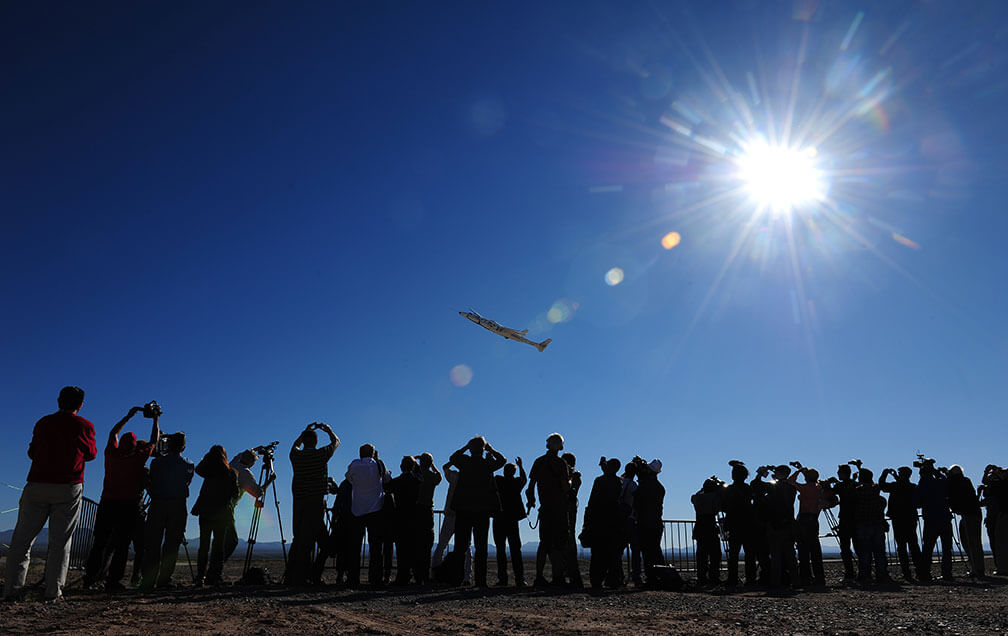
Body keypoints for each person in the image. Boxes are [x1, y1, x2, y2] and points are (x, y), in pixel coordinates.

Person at [4, 386, 97, 601]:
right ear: (80, 405)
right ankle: (53, 592)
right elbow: (91, 454)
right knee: (60, 541)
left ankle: (12, 590)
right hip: (68, 486)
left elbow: (32, 451)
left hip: (37, 483)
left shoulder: (44, 423)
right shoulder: (84, 425)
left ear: (58, 401)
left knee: (22, 539)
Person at [83, 404, 159, 592]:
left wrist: (128, 416)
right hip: (128, 505)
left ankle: (90, 579)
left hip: (107, 502)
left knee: (100, 543)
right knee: (123, 545)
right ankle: (113, 581)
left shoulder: (111, 454)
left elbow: (112, 433)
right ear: (134, 446)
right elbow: (154, 441)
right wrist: (156, 419)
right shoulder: (138, 458)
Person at [285, 422, 340, 586]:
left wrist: (305, 432)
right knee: (311, 542)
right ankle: (306, 576)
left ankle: (299, 575)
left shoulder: (296, 456)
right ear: (316, 442)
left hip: (299, 503)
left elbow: (295, 445)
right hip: (315, 503)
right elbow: (336, 442)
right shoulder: (321, 454)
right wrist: (329, 430)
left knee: (300, 539)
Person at [526, 433, 582, 588]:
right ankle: (558, 577)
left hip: (544, 508)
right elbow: (565, 487)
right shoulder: (560, 463)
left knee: (544, 543)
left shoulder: (538, 462)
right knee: (559, 543)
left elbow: (530, 487)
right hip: (559, 509)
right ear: (561, 447)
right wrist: (571, 479)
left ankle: (539, 576)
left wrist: (531, 501)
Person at [140, 430, 194, 589]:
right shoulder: (189, 464)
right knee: (172, 544)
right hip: (177, 504)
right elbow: (187, 481)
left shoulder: (156, 463)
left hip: (157, 503)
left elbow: (152, 479)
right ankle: (164, 579)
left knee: (153, 542)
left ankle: (148, 579)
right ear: (183, 447)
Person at [449, 436, 506, 588]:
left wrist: (464, 448)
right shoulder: (487, 463)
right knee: (481, 547)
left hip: (464, 509)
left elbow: (453, 458)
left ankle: (456, 579)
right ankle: (481, 581)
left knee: (460, 546)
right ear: (483, 449)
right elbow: (502, 460)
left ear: (471, 448)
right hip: (483, 510)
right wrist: (491, 450)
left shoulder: (465, 462)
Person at [191, 445, 240, 586]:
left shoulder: (208, 472)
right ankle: (214, 576)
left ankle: (200, 576)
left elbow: (198, 469)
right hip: (222, 514)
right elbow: (235, 493)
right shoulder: (231, 473)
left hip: (206, 512)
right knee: (218, 546)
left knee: (204, 546)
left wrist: (208, 456)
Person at [346, 443, 392, 587]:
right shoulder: (378, 465)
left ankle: (353, 578)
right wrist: (378, 460)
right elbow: (387, 480)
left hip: (357, 509)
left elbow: (348, 477)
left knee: (354, 547)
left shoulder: (354, 465)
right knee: (376, 548)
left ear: (360, 453)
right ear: (373, 453)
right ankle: (375, 578)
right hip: (376, 510)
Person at [752, 465, 798, 588]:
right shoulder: (791, 488)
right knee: (790, 556)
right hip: (788, 524)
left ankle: (776, 582)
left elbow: (756, 485)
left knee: (776, 555)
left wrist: (760, 474)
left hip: (774, 525)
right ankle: (795, 580)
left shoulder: (773, 487)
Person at [582, 457, 625, 590]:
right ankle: (613, 580)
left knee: (598, 554)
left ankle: (596, 580)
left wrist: (587, 521)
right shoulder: (619, 482)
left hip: (598, 521)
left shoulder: (600, 481)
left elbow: (592, 501)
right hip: (613, 521)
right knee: (612, 553)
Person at [431, 461, 472, 585]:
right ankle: (466, 577)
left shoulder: (455, 476)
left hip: (451, 514)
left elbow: (445, 467)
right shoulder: (472, 478)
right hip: (465, 515)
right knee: (466, 548)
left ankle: (435, 574)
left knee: (442, 544)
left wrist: (455, 460)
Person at [879, 466, 923, 582]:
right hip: (911, 518)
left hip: (898, 519)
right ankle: (920, 572)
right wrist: (896, 477)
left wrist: (885, 474)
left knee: (902, 547)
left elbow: (882, 486)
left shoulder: (895, 486)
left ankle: (906, 573)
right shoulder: (912, 487)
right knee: (914, 545)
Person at [787, 462, 826, 586]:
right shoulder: (818, 488)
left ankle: (805, 577)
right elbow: (813, 480)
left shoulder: (804, 488)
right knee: (815, 548)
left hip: (804, 518)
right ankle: (819, 577)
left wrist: (798, 471)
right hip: (814, 519)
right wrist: (803, 470)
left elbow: (790, 481)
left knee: (803, 549)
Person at [917, 459, 954, 582]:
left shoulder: (922, 485)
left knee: (928, 548)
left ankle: (925, 574)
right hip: (944, 517)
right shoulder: (940, 483)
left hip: (930, 519)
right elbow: (947, 484)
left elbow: (917, 502)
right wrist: (938, 473)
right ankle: (947, 573)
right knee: (947, 548)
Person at [492, 457, 527, 587]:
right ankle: (519, 579)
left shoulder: (498, 481)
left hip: (499, 519)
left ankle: (503, 579)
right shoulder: (516, 483)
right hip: (512, 520)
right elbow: (524, 479)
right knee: (515, 550)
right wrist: (521, 467)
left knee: (500, 550)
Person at [721, 461, 756, 587]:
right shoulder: (748, 488)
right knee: (750, 554)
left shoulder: (729, 490)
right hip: (748, 524)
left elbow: (724, 506)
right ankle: (751, 579)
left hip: (734, 524)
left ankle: (732, 579)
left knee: (733, 554)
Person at [852, 467, 889, 584]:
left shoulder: (858, 491)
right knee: (879, 552)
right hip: (877, 523)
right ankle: (881, 574)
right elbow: (880, 484)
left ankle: (864, 574)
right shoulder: (876, 489)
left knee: (864, 552)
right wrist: (884, 474)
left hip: (863, 523)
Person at [633, 458, 667, 587]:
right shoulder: (659, 488)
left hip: (646, 522)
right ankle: (661, 576)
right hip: (656, 523)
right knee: (656, 551)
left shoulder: (645, 486)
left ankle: (652, 577)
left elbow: (637, 499)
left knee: (648, 551)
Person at [388, 456, 421, 585]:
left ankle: (402, 576)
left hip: (399, 517)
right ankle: (417, 576)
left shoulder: (396, 481)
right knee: (413, 548)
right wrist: (416, 464)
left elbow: (387, 487)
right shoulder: (417, 480)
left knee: (401, 549)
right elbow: (419, 474)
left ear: (401, 467)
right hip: (414, 517)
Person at [947, 465, 985, 578]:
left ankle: (977, 568)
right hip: (973, 513)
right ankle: (978, 567)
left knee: (971, 542)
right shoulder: (966, 481)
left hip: (968, 514)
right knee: (974, 542)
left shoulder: (956, 482)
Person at [413, 453, 442, 585]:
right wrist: (432, 465)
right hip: (427, 510)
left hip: (417, 510)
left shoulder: (416, 475)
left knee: (416, 543)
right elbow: (439, 476)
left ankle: (417, 575)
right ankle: (425, 575)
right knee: (426, 544)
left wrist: (416, 462)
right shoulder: (431, 477)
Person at [828, 464, 859, 582]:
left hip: (846, 519)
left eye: (839, 472)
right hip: (856, 519)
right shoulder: (855, 485)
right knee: (858, 547)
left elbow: (830, 493)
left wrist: (828, 484)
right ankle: (863, 572)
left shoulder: (840, 486)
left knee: (845, 548)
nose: (837, 474)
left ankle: (849, 573)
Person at [691, 477, 722, 586]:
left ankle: (702, 576)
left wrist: (702, 489)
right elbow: (718, 507)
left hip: (700, 527)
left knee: (701, 554)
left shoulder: (697, 498)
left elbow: (694, 496)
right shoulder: (715, 497)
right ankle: (714, 576)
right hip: (710, 526)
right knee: (715, 554)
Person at [619, 462, 643, 586]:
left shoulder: (620, 481)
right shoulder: (633, 486)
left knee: (618, 549)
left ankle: (618, 576)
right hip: (630, 519)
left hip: (619, 519)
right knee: (635, 549)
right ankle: (636, 576)